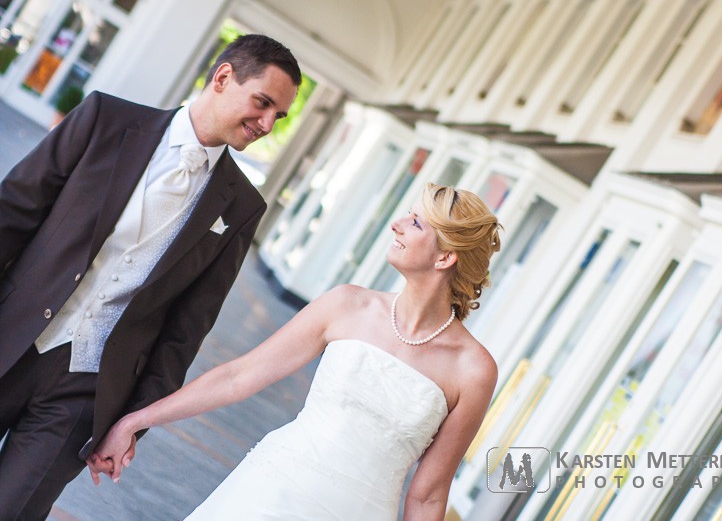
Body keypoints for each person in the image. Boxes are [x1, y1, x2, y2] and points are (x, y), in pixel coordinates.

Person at [0, 34, 301, 518]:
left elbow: (186, 330)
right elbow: (12, 213)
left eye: (278, 116)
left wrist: (133, 422)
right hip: (9, 334)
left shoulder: (243, 206)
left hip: (86, 391)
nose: (267, 124)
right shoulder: (106, 120)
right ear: (223, 78)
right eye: (263, 103)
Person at [90, 183, 502, 520]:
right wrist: (136, 421)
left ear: (446, 256)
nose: (396, 225)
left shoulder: (473, 370)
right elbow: (240, 376)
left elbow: (428, 496)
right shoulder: (346, 305)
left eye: (414, 223)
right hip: (269, 492)